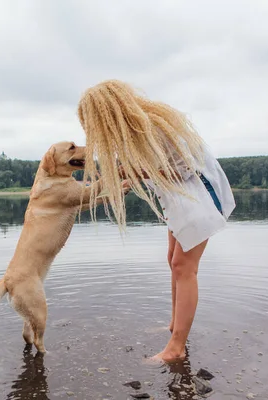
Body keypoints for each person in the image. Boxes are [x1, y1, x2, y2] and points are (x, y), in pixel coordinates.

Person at [76, 79, 236, 363]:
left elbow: (185, 166)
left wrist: (137, 170)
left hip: (198, 196)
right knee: (172, 259)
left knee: (184, 266)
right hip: (179, 198)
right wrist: (134, 170)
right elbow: (158, 169)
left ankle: (176, 347)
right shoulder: (139, 130)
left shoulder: (152, 126)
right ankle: (175, 325)